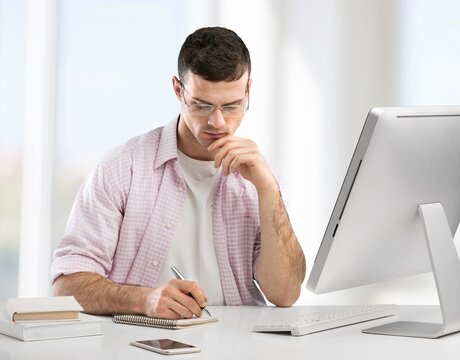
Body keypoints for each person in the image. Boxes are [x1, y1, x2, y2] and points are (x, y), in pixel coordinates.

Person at [51, 27, 306, 319]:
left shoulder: (260, 175)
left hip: (239, 344)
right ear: (178, 89)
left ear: (248, 91)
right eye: (202, 105)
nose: (218, 122)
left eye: (232, 105)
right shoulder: (122, 167)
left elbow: (285, 294)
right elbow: (65, 287)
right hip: (140, 345)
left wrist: (268, 190)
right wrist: (143, 300)